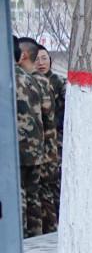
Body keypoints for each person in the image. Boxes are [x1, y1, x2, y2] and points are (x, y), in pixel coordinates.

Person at [13, 38, 52, 237]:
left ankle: (19, 237)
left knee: (17, 193)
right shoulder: (33, 80)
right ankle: (35, 236)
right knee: (33, 195)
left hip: (16, 148)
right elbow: (47, 115)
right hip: (36, 147)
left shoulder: (8, 78)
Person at [34, 46, 65, 232]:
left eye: (44, 58)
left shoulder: (58, 82)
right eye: (37, 59)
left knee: (54, 183)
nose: (41, 63)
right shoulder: (31, 82)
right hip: (38, 142)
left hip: (55, 141)